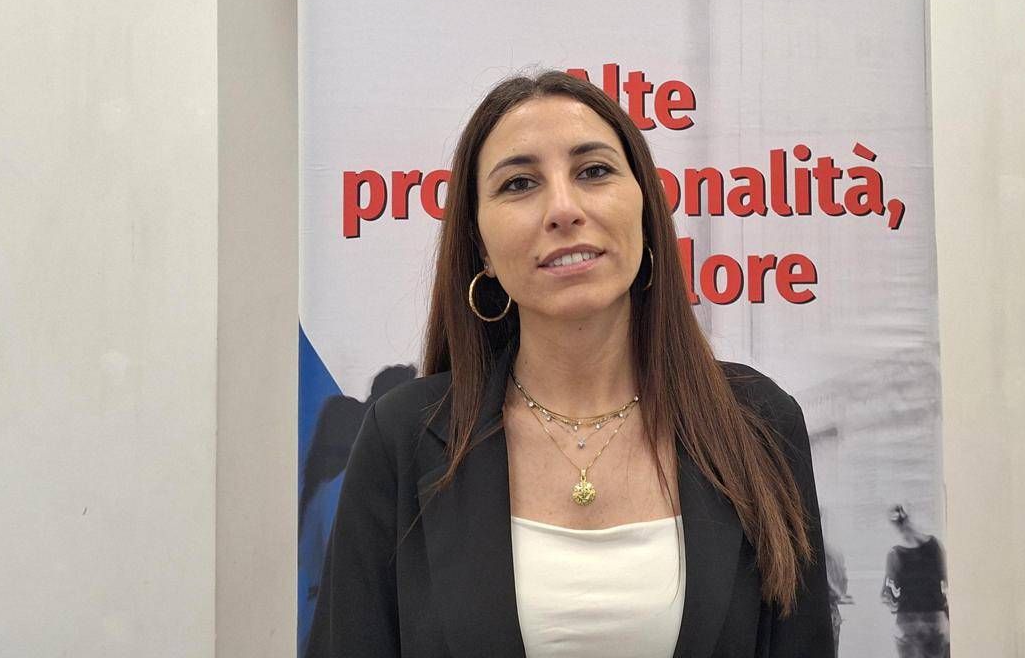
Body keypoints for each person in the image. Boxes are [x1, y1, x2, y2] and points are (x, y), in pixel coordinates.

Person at [306, 70, 834, 657]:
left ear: (645, 209)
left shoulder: (757, 423)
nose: (563, 208)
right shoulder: (403, 437)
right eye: (519, 183)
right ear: (481, 245)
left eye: (594, 171)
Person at [880, 504, 949, 658]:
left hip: (907, 623)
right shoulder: (935, 545)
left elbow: (889, 595)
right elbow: (947, 580)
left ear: (894, 526)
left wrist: (894, 604)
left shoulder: (894, 554)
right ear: (909, 518)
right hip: (935, 621)